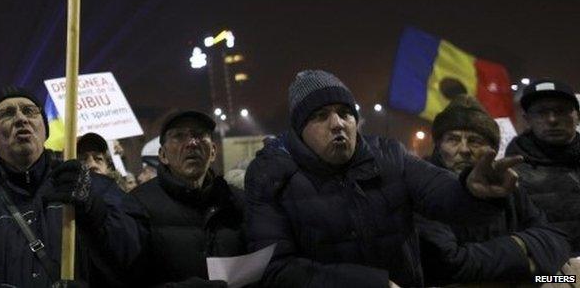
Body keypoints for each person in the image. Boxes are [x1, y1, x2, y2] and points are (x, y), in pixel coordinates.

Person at [246, 70, 524, 287]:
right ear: (299, 130)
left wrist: (471, 191)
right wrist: (372, 284)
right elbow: (274, 270)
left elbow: (441, 192)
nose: (338, 124)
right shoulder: (271, 174)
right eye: (320, 116)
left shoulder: (390, 155)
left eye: (345, 113)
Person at [0, 85, 142, 287]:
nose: (20, 119)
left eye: (30, 111)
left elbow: (134, 257)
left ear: (44, 131)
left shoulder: (95, 187)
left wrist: (95, 210)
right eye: (6, 114)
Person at [416, 96, 570, 284]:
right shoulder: (423, 189)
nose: (464, 149)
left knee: (567, 279)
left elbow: (557, 240)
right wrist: (523, 248)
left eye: (475, 141)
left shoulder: (508, 187)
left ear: (493, 149)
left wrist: (550, 276)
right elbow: (450, 265)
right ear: (438, 146)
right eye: (453, 140)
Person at [129, 110, 246, 287]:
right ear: (163, 155)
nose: (192, 143)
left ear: (213, 151)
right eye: (178, 136)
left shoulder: (237, 202)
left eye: (199, 135)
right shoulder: (137, 205)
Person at [505, 79, 580, 253]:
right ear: (527, 119)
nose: (552, 120)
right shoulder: (510, 173)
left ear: (577, 115)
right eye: (541, 113)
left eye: (561, 111)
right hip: (546, 274)